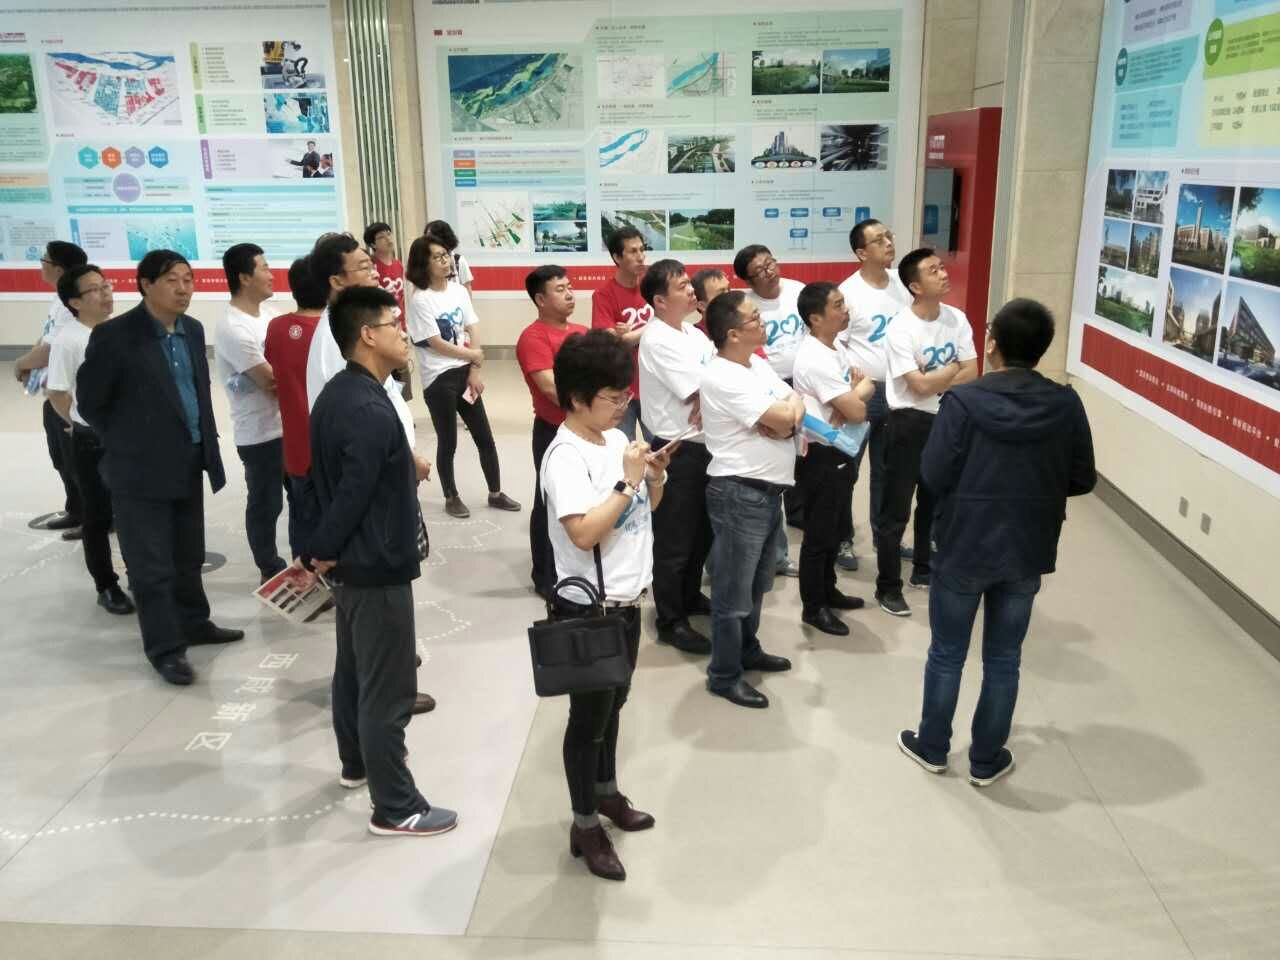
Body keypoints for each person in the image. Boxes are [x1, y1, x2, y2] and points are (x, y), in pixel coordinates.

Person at [898, 298, 1096, 786]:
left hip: (964, 540)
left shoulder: (963, 401)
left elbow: (933, 473)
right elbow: (1082, 477)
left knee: (948, 652)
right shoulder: (1065, 403)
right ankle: (986, 760)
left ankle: (933, 746)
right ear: (1042, 348)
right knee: (1004, 658)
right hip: (1029, 543)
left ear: (991, 344)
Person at [303, 285, 458, 837]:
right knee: (388, 689)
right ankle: (396, 806)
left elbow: (329, 480)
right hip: (375, 562)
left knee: (353, 670)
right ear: (368, 335)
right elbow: (353, 493)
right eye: (394, 324)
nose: (404, 333)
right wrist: (322, 549)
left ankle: (356, 764)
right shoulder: (369, 408)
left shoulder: (340, 394)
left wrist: (322, 548)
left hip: (353, 562)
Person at [540, 329, 677, 881]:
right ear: (577, 398)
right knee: (587, 721)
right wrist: (627, 481)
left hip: (628, 601)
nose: (624, 405)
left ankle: (608, 792)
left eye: (626, 394)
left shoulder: (614, 437)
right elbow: (582, 534)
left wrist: (654, 477)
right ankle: (584, 825)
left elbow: (648, 508)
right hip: (591, 612)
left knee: (613, 708)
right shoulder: (565, 456)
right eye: (613, 396)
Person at [76, 250, 243, 686]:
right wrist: (131, 442)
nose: (183, 288)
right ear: (146, 284)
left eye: (188, 279)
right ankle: (166, 649)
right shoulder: (115, 336)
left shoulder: (192, 329)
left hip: (189, 458)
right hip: (138, 470)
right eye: (172, 280)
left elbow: (197, 392)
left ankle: (194, 623)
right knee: (151, 567)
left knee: (188, 556)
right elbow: (91, 403)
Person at [304, 232, 436, 715]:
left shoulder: (363, 379)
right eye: (363, 267)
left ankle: (378, 700)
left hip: (376, 508)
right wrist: (323, 547)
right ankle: (388, 703)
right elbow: (352, 476)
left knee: (364, 649)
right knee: (377, 669)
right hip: (372, 543)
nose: (375, 272)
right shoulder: (342, 366)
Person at [699, 291, 803, 709]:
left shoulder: (755, 364)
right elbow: (782, 416)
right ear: (732, 334)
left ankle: (748, 649)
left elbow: (794, 402)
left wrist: (786, 416)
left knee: (758, 583)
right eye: (754, 319)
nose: (763, 323)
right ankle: (724, 675)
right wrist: (783, 416)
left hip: (767, 491)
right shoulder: (722, 375)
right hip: (739, 493)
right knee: (732, 592)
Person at [876, 248, 978, 618]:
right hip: (907, 422)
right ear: (915, 286)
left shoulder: (957, 318)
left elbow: (973, 372)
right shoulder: (900, 327)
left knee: (934, 504)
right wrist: (951, 370)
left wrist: (936, 376)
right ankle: (888, 586)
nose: (944, 274)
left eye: (942, 267)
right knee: (896, 511)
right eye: (933, 271)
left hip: (947, 419)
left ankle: (923, 568)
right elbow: (917, 387)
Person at [403, 233, 520, 519]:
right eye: (438, 257)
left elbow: (473, 327)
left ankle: (495, 492)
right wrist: (472, 355)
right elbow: (435, 342)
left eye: (446, 255)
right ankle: (451, 495)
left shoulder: (458, 291)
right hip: (439, 379)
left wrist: (474, 368)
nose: (446, 261)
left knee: (484, 436)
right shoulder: (420, 300)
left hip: (465, 373)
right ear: (423, 264)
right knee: (449, 441)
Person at [45, 264, 134, 615]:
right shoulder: (69, 340)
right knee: (97, 516)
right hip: (91, 440)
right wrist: (77, 425)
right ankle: (106, 585)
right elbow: (57, 392)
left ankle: (139, 574)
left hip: (125, 437)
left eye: (106, 285)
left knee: (131, 510)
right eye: (94, 289)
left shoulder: (118, 330)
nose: (106, 293)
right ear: (75, 302)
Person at [637, 259, 714, 654]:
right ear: (660, 301)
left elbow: (719, 377)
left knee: (701, 532)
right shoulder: (657, 339)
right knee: (675, 539)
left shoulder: (694, 334)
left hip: (706, 444)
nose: (691, 290)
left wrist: (710, 392)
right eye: (682, 286)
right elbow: (698, 389)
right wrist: (709, 392)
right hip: (675, 449)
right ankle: (670, 619)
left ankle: (689, 596)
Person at [791, 281, 875, 636]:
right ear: (815, 318)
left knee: (834, 526)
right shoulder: (814, 358)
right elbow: (857, 409)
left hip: (841, 448)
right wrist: (854, 396)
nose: (846, 310)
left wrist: (855, 393)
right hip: (821, 455)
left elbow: (867, 384)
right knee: (819, 533)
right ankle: (814, 607)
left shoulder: (835, 345)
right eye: (838, 305)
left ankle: (828, 590)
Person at [837, 219, 912, 572]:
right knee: (847, 469)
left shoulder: (903, 284)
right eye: (879, 240)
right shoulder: (848, 293)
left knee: (888, 470)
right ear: (861, 253)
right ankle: (842, 539)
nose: (888, 243)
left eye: (889, 236)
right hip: (863, 393)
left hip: (901, 391)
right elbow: (836, 342)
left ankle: (887, 539)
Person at [515, 265, 589, 598]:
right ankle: (545, 576)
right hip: (553, 432)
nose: (570, 293)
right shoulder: (533, 337)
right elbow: (550, 389)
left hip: (588, 429)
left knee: (583, 500)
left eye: (569, 287)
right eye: (560, 289)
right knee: (549, 504)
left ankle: (577, 568)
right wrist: (594, 402)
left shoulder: (582, 332)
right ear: (540, 299)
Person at [217, 242, 287, 583]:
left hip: (288, 425)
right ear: (244, 277)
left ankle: (308, 561)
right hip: (259, 434)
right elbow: (271, 381)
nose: (271, 275)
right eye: (264, 268)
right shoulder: (233, 327)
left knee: (303, 497)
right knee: (266, 504)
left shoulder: (271, 316)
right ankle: (269, 569)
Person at [735, 243, 805, 572]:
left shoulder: (797, 291)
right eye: (760, 271)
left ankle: (799, 515)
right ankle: (775, 549)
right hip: (768, 389)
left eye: (770, 263)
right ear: (749, 281)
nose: (770, 272)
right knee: (775, 457)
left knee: (804, 455)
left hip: (803, 384)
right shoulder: (745, 306)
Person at [14, 240, 89, 536]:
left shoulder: (72, 304)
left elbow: (50, 350)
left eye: (44, 260)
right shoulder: (58, 300)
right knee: (63, 458)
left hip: (70, 396)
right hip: (54, 391)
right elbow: (45, 339)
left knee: (77, 461)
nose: (41, 265)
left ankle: (94, 515)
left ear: (58, 268)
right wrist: (30, 362)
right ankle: (77, 509)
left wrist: (21, 363)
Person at [264, 257, 325, 559]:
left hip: (296, 446)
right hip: (332, 446)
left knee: (301, 514)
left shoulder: (277, 328)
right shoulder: (336, 330)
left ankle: (301, 571)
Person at [592, 226, 652, 440]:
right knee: (623, 448)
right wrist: (655, 326)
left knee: (661, 448)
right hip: (622, 388)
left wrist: (629, 336)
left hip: (654, 385)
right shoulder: (603, 295)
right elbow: (611, 343)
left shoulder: (652, 287)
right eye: (633, 251)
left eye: (642, 250)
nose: (641, 256)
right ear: (617, 257)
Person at [364, 221, 405, 320]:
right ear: (373, 244)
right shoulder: (370, 265)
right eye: (381, 237)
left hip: (400, 320)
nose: (388, 239)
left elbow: (401, 297)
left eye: (389, 234)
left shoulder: (398, 264)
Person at [423, 220, 474, 294]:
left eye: (431, 238)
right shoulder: (425, 261)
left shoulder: (459, 261)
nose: (428, 242)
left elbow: (467, 291)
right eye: (426, 237)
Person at [691, 267, 730, 337]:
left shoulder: (745, 329)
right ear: (702, 306)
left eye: (729, 289)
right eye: (721, 294)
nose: (731, 296)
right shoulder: (693, 337)